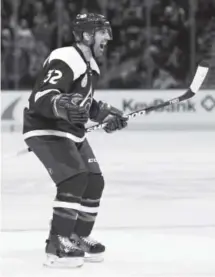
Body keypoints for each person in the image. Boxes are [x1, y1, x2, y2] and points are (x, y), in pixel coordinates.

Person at [22, 13, 128, 268]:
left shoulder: (89, 65)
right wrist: (60, 104)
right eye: (102, 32)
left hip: (70, 131)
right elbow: (43, 96)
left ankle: (77, 237)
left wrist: (105, 115)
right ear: (87, 35)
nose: (107, 37)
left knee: (93, 181)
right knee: (74, 178)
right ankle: (56, 246)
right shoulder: (67, 57)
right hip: (46, 128)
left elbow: (84, 105)